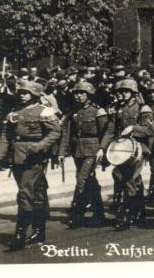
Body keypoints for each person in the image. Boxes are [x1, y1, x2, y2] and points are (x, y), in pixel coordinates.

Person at [0, 80, 61, 251]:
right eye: (21, 92)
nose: (23, 95)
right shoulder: (14, 112)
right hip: (17, 156)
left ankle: (20, 234)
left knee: (25, 193)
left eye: (27, 93)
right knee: (35, 193)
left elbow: (55, 132)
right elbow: (6, 135)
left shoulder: (44, 111)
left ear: (35, 95)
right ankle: (39, 231)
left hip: (34, 156)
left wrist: (40, 146)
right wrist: (0, 156)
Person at [99, 78, 154, 231]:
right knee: (124, 177)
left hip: (138, 149)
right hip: (122, 149)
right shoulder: (118, 108)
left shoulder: (143, 108)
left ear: (133, 92)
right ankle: (139, 212)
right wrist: (102, 148)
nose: (122, 94)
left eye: (125, 91)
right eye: (120, 92)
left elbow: (149, 130)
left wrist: (133, 128)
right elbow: (110, 130)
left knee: (129, 178)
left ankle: (128, 214)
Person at [58, 80, 109, 228]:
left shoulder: (98, 111)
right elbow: (67, 134)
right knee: (90, 181)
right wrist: (62, 152)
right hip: (77, 150)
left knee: (82, 179)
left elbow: (105, 133)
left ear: (89, 95)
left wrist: (102, 149)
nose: (78, 96)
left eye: (82, 93)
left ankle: (78, 214)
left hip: (93, 150)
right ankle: (99, 215)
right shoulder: (73, 112)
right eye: (77, 94)